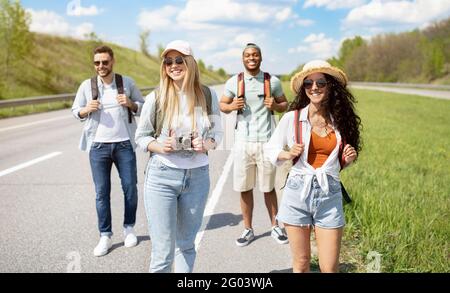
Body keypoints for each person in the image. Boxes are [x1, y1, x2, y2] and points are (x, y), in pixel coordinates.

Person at [264, 60, 361, 272]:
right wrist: (287, 154)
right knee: (301, 263)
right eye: (308, 83)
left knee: (329, 267)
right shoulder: (292, 118)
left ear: (331, 85)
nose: (314, 87)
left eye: (320, 82)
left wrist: (347, 159)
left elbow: (334, 163)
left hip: (329, 195)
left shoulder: (341, 121)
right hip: (297, 192)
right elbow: (270, 150)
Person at [135, 40, 223, 273]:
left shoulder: (207, 94)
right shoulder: (157, 98)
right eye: (168, 62)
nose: (173, 65)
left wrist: (206, 143)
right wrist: (160, 145)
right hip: (162, 176)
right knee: (163, 251)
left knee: (186, 245)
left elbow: (218, 134)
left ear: (190, 63)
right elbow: (142, 137)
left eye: (179, 60)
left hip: (197, 177)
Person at [71, 45, 144, 257]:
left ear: (112, 62)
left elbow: (143, 105)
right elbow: (76, 111)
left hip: (124, 145)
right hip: (98, 147)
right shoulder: (87, 85)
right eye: (97, 63)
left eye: (105, 62)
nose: (101, 66)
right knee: (101, 193)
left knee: (130, 188)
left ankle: (129, 228)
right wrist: (87, 109)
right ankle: (105, 235)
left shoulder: (126, 82)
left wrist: (131, 103)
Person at [220, 43, 289, 247]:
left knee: (268, 188)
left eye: (255, 54)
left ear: (261, 57)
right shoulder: (235, 81)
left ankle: (275, 226)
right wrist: (232, 106)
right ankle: (248, 229)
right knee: (244, 188)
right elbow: (223, 105)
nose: (252, 58)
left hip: (267, 142)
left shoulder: (272, 81)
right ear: (243, 59)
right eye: (248, 55)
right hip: (242, 143)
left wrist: (275, 106)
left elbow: (285, 104)